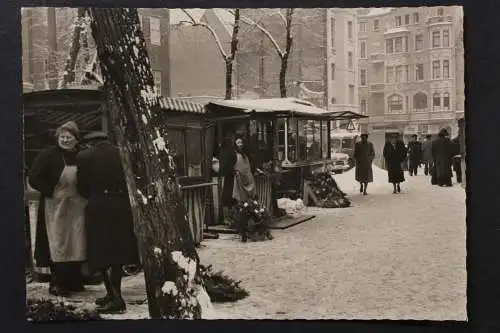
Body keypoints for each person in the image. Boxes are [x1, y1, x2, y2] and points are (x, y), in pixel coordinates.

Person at [76, 132, 140, 314]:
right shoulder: (123, 153)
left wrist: (95, 197)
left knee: (102, 252)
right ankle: (112, 295)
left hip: (99, 206)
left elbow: (81, 187)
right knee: (117, 253)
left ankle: (117, 299)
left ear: (91, 143)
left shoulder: (85, 156)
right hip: (121, 205)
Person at [28, 121, 87, 297]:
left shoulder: (82, 155)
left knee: (77, 243)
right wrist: (50, 191)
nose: (65, 140)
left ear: (76, 140)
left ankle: (74, 281)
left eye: (69, 137)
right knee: (57, 243)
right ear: (57, 138)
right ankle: (57, 283)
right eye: (62, 137)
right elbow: (33, 178)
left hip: (77, 205)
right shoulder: (48, 155)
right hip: (55, 206)